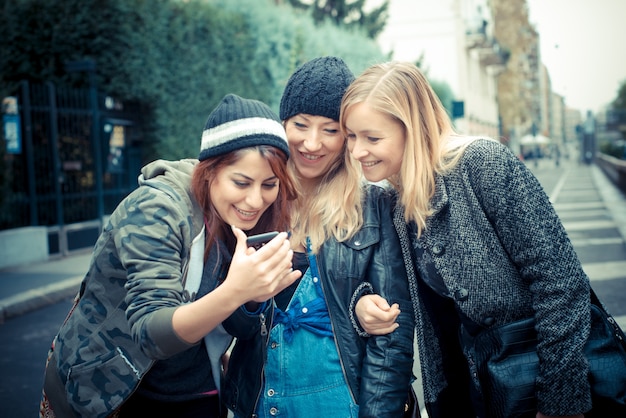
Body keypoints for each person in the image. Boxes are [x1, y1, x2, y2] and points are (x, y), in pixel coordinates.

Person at [340, 60, 593, 418]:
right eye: (351, 135)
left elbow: (560, 282)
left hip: (536, 389)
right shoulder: (397, 203)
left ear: (413, 129)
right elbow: (380, 283)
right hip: (466, 393)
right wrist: (361, 305)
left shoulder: (483, 164)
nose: (356, 151)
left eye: (372, 137)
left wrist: (560, 401)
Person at [39, 94, 302, 418]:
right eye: (241, 182)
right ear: (210, 171)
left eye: (269, 184)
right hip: (113, 395)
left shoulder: (254, 219)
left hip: (200, 394)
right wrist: (236, 290)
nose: (255, 199)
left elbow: (239, 328)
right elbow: (152, 334)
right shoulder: (156, 209)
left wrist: (251, 298)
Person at [221, 56, 415, 418]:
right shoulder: (255, 201)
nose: (312, 143)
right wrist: (247, 299)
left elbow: (394, 335)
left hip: (345, 405)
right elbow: (232, 323)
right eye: (301, 125)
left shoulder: (373, 205)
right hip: (262, 404)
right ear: (283, 123)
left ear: (348, 135)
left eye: (330, 129)